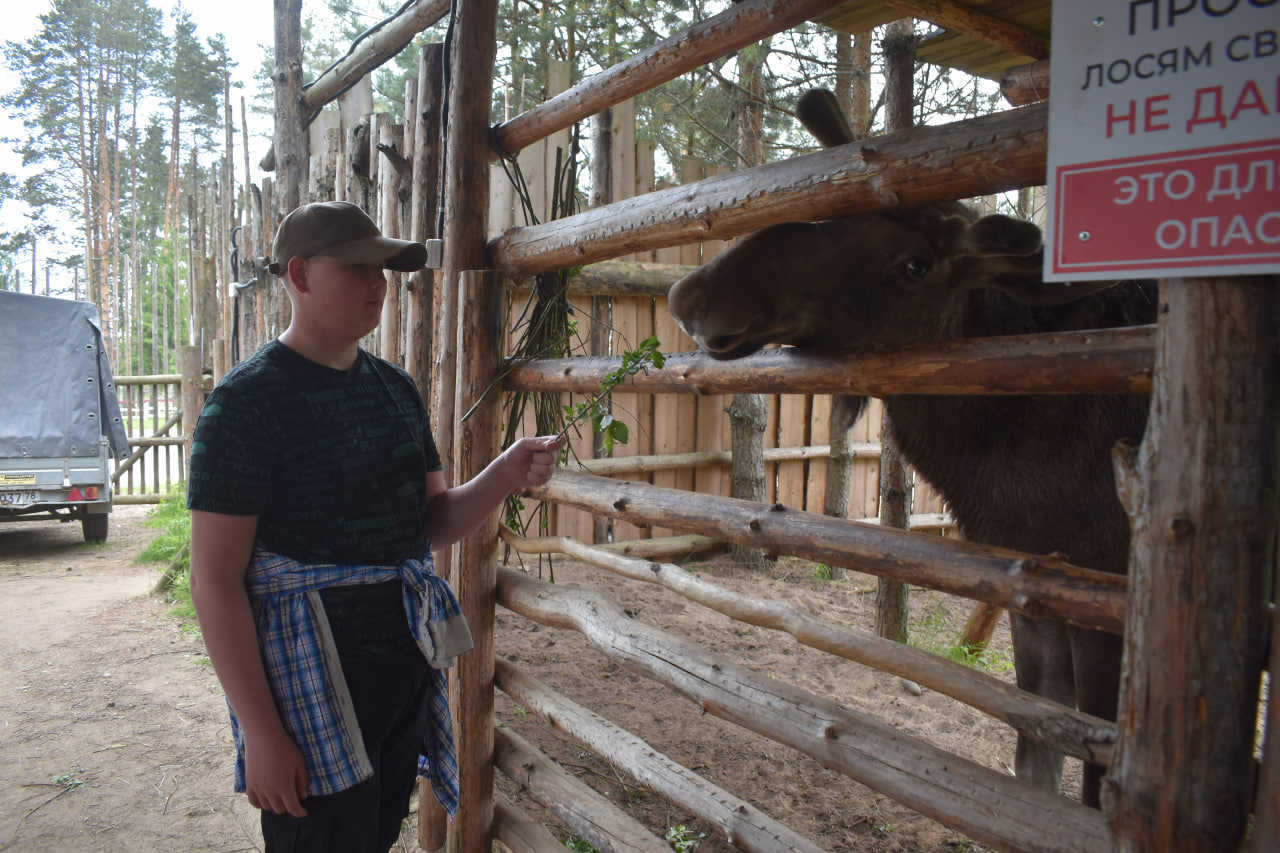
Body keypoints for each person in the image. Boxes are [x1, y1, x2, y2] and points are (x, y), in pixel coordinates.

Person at [187, 200, 563, 852]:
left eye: (384, 270)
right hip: (305, 689)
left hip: (402, 672)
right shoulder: (244, 406)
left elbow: (428, 526)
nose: (378, 284)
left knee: (375, 836)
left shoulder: (396, 391)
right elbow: (214, 582)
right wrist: (263, 734)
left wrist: (503, 473)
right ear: (299, 275)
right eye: (360, 267)